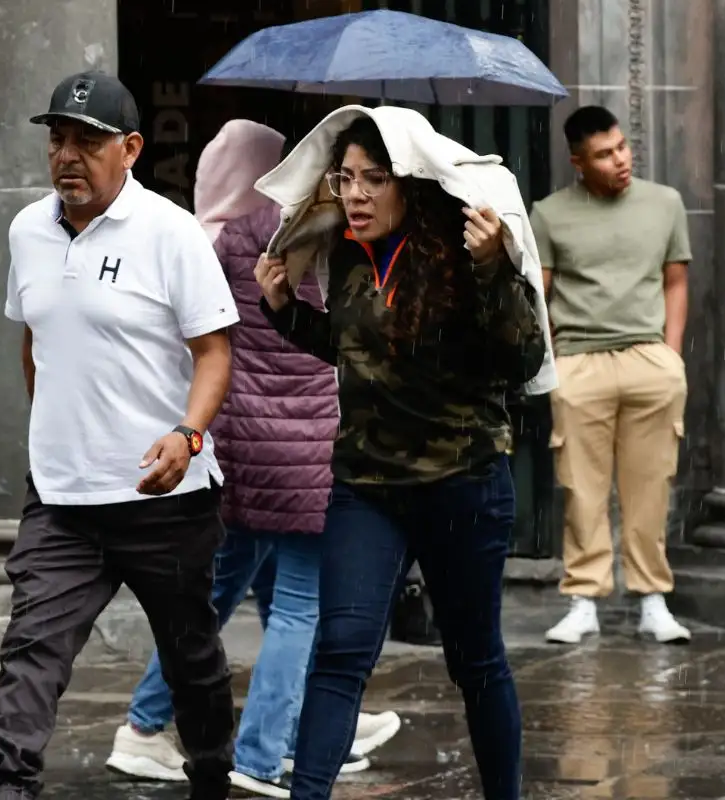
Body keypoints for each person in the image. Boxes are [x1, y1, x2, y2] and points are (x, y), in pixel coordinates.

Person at [255, 111, 550, 800]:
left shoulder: (465, 251)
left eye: (374, 179)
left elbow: (522, 358)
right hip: (368, 487)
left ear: (408, 185)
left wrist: (493, 267)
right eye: (345, 178)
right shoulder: (348, 254)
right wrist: (284, 310)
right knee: (341, 651)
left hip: (463, 486)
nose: (355, 194)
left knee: (475, 663)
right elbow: (354, 349)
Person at [105, 119, 402, 799]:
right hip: (306, 452)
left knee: (213, 595)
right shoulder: (328, 238)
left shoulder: (219, 239)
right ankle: (266, 751)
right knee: (301, 604)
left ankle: (149, 724)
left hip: (238, 451)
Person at [0, 71, 238, 800]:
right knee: (30, 655)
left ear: (130, 149)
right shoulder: (27, 230)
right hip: (62, 500)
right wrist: (56, 433)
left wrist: (188, 436)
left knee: (192, 660)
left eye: (88, 143)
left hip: (166, 500)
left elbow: (215, 352)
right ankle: (7, 788)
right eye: (57, 140)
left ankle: (212, 774)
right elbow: (34, 340)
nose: (67, 156)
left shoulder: (172, 231)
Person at [530, 105, 693, 646]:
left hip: (649, 358)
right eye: (604, 154)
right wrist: (556, 360)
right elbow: (538, 294)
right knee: (581, 488)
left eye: (622, 146)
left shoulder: (665, 203)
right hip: (580, 361)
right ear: (578, 162)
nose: (621, 159)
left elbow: (675, 281)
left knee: (651, 486)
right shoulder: (549, 214)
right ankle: (584, 600)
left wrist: (671, 356)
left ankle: (652, 598)